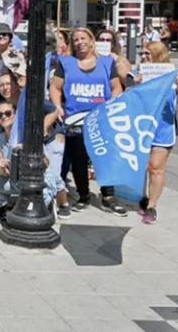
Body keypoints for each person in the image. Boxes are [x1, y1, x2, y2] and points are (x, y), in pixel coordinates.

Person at [49, 26, 126, 215]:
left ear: (92, 41)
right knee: (79, 159)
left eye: (83, 38)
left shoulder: (106, 62)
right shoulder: (66, 63)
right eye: (76, 39)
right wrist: (58, 107)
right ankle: (83, 195)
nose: (80, 42)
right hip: (74, 119)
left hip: (100, 119)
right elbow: (55, 87)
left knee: (104, 159)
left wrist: (111, 107)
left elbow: (116, 88)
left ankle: (108, 196)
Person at [137, 42, 178, 224]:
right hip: (141, 128)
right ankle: (143, 197)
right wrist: (134, 85)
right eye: (143, 53)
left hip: (164, 129)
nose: (144, 56)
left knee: (155, 167)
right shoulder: (139, 73)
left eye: (148, 53)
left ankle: (152, 206)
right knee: (141, 167)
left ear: (158, 55)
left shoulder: (173, 75)